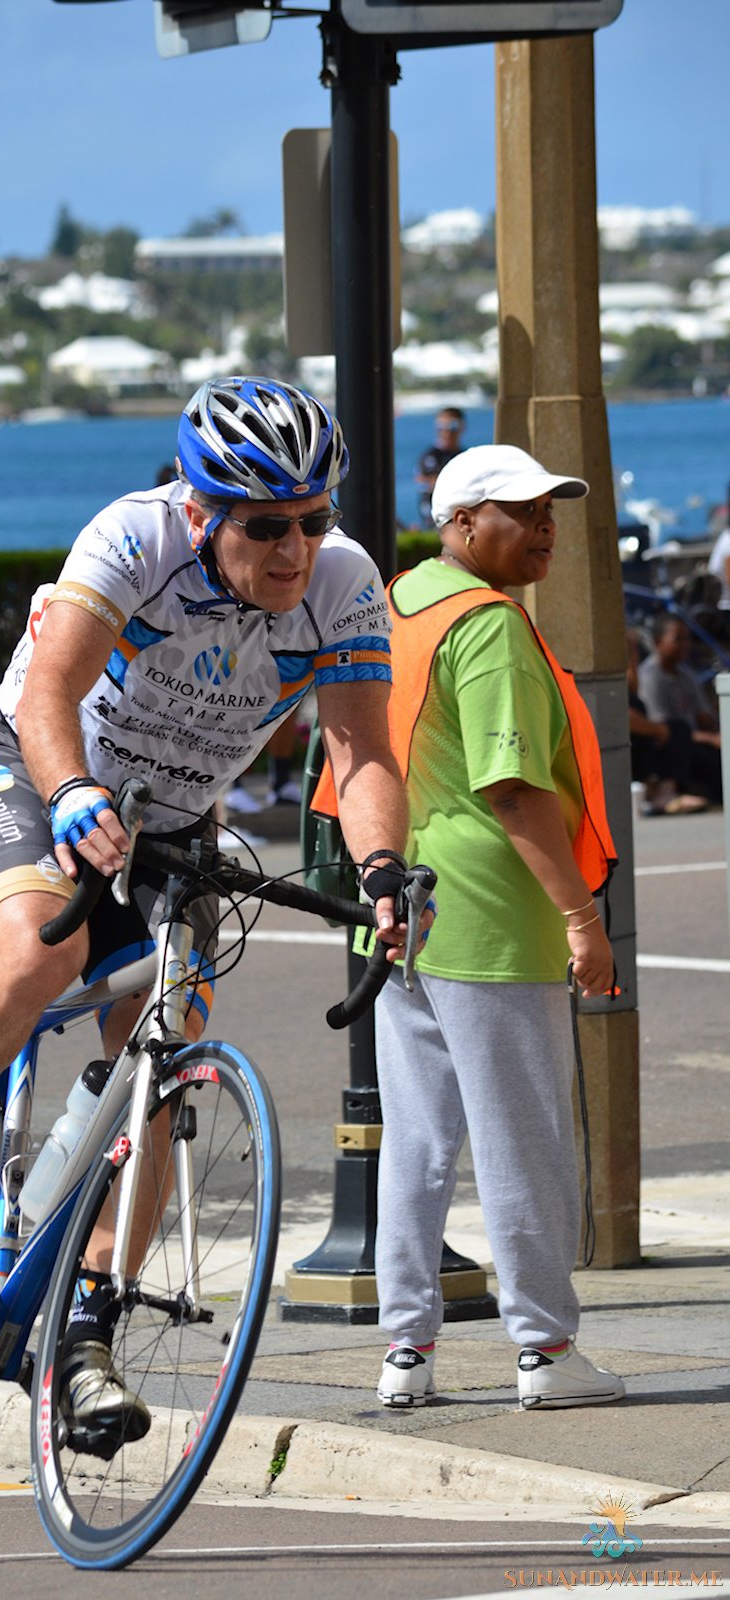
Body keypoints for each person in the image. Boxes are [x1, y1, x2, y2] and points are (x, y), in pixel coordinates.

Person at [0, 375, 417, 1451]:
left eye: (313, 519)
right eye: (264, 526)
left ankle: (88, 1333)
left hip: (173, 822)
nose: (293, 548)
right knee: (35, 953)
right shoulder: (132, 537)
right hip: (28, 764)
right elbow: (52, 692)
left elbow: (362, 751)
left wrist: (384, 868)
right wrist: (69, 793)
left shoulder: (342, 587)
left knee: (165, 1050)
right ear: (202, 513)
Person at [367, 443, 624, 1411]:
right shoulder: (488, 627)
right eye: (524, 510)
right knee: (525, 1139)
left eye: (552, 510)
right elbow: (511, 788)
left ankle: (406, 1351)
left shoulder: (397, 605)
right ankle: (546, 1351)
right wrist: (578, 914)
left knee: (417, 1142)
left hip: (396, 906)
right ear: (463, 522)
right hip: (489, 911)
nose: (547, 527)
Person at [636, 614, 722, 805]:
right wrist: (713, 739)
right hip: (671, 748)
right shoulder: (650, 677)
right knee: (687, 739)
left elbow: (704, 717)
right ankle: (669, 792)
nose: (686, 644)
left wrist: (719, 732)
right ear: (658, 642)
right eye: (678, 639)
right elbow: (665, 730)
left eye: (687, 639)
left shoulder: (686, 673)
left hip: (697, 741)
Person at [626, 629, 706, 816]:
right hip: (634, 742)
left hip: (644, 738)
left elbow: (630, 691)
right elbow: (621, 714)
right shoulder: (652, 674)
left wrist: (631, 653)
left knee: (679, 730)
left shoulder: (686, 673)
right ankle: (660, 794)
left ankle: (665, 791)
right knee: (675, 731)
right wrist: (659, 730)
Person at [415, 407, 465, 527]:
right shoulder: (430, 457)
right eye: (441, 426)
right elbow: (425, 482)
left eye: (453, 426)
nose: (446, 431)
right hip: (435, 521)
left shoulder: (464, 456)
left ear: (461, 427)